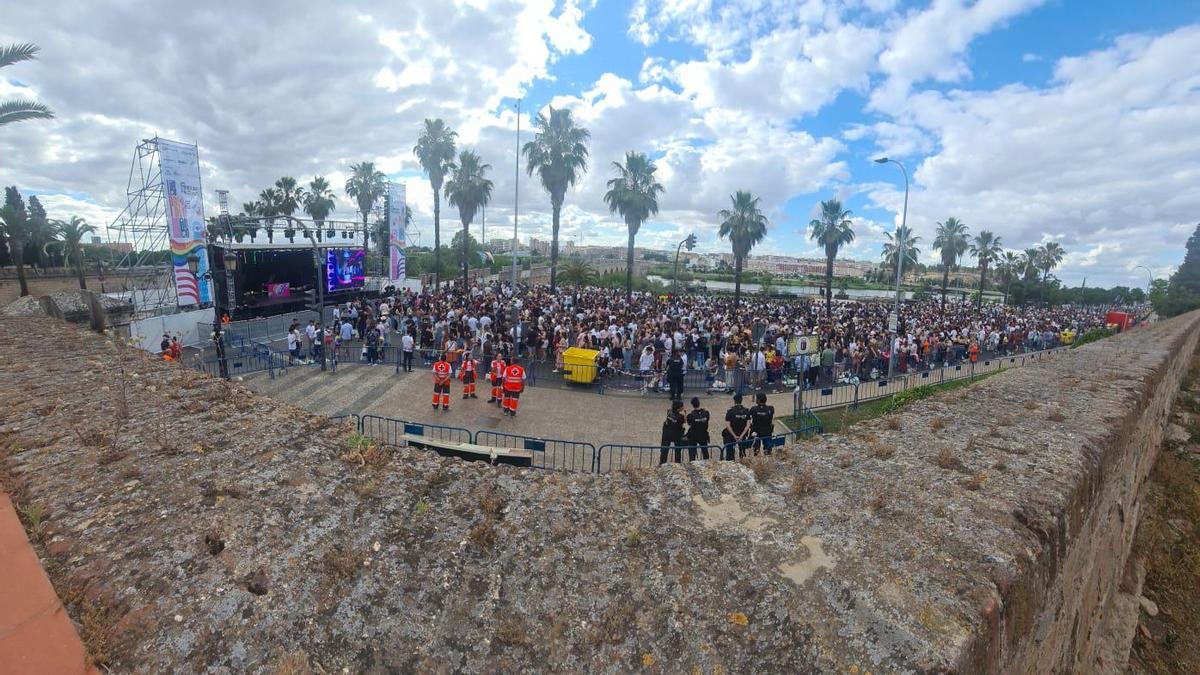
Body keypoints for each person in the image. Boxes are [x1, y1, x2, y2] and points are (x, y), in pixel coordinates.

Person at [722, 393, 752, 460]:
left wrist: (734, 435)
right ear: (741, 400)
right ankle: (743, 465)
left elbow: (728, 425)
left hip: (731, 436)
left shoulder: (730, 411)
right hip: (742, 435)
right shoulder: (746, 411)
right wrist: (741, 435)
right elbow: (748, 425)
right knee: (742, 453)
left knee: (730, 454)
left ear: (734, 400)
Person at [659, 399, 686, 465]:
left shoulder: (669, 412)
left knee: (664, 451)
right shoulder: (681, 416)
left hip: (667, 433)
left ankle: (662, 463)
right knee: (677, 450)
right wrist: (684, 414)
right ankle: (677, 464)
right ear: (679, 408)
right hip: (677, 434)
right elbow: (684, 422)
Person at [685, 396, 711, 461]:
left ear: (692, 405)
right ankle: (707, 464)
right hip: (703, 434)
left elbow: (689, 423)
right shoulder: (706, 413)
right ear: (699, 403)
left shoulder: (690, 415)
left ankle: (692, 464)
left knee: (692, 453)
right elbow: (707, 419)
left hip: (693, 435)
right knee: (705, 452)